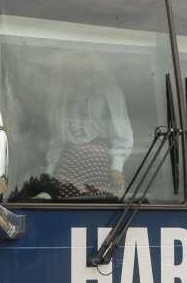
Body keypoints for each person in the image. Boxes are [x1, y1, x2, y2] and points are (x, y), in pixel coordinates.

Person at [44, 52, 134, 199]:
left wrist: (117, 167)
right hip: (68, 167)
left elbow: (121, 130)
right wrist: (49, 172)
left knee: (94, 209)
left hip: (98, 165)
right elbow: (57, 138)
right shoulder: (65, 95)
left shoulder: (109, 89)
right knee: (66, 210)